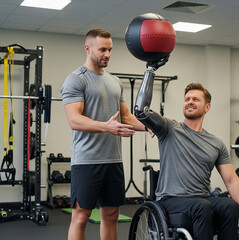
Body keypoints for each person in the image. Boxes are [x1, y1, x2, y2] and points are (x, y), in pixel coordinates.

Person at [141, 83, 239, 240]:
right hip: (171, 200)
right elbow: (141, 113)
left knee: (229, 206)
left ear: (207, 107)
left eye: (196, 99)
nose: (190, 101)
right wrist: (150, 70)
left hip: (202, 198)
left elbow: (231, 180)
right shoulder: (169, 128)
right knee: (202, 206)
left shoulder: (216, 143)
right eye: (187, 99)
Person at [61, 28, 147, 240]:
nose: (107, 54)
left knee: (111, 215)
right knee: (81, 217)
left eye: (110, 50)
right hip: (86, 160)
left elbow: (126, 117)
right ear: (87, 48)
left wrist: (151, 127)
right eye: (102, 49)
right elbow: (74, 119)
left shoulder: (115, 81)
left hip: (113, 160)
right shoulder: (76, 79)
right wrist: (107, 127)